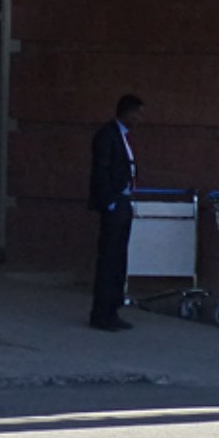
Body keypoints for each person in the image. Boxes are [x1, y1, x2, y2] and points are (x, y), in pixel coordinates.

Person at [88, 93, 143, 332]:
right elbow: (101, 170)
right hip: (114, 203)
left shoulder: (122, 137)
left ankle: (113, 308)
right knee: (109, 259)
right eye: (136, 114)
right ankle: (102, 312)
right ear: (126, 112)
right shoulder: (107, 135)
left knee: (119, 258)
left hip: (123, 201)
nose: (138, 119)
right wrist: (109, 201)